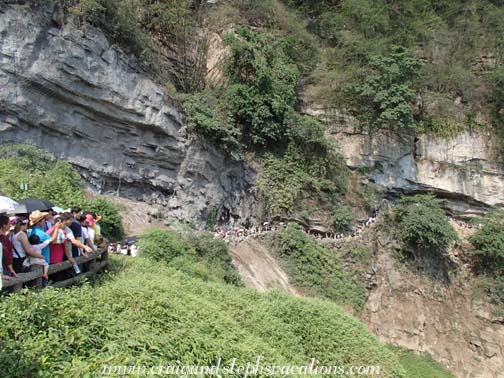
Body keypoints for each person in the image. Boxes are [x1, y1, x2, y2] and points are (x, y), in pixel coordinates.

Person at [0, 214, 17, 279]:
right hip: (4, 267)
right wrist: (11, 269)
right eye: (9, 223)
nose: (10, 225)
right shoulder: (3, 239)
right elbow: (6, 254)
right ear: (4, 225)